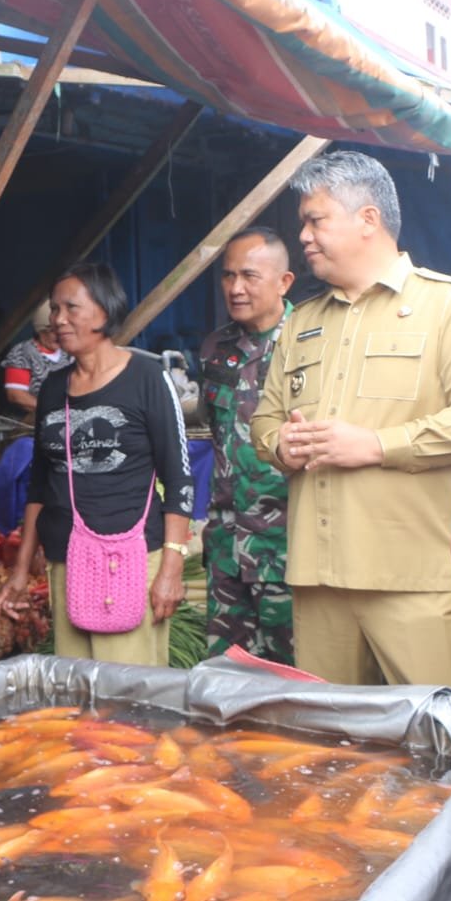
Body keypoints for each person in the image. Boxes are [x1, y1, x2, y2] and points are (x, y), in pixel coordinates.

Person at [249, 151, 451, 695]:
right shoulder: (302, 322)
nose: (304, 236)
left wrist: (379, 445)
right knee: (331, 747)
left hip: (413, 578)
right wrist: (278, 444)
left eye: (316, 220)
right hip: (317, 577)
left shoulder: (447, 306)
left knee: (448, 742)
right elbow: (263, 419)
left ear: (367, 220)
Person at [0, 262, 195, 666]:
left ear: (104, 311)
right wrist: (20, 571)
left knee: (130, 702)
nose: (58, 320)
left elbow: (179, 478)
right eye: (54, 309)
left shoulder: (148, 379)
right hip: (66, 560)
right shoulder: (52, 387)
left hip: (131, 559)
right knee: (80, 697)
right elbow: (40, 482)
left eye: (71, 308)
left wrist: (171, 569)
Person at [198, 226, 296, 661]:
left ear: (283, 281)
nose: (235, 288)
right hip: (226, 547)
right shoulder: (216, 347)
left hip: (286, 548)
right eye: (228, 276)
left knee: (297, 679)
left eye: (249, 276)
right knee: (227, 677)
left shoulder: (310, 342)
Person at [1, 303, 73, 415]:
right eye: (52, 331)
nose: (59, 335)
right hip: (28, 425)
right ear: (40, 330)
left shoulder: (69, 353)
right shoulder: (23, 352)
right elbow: (16, 395)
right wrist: (54, 410)